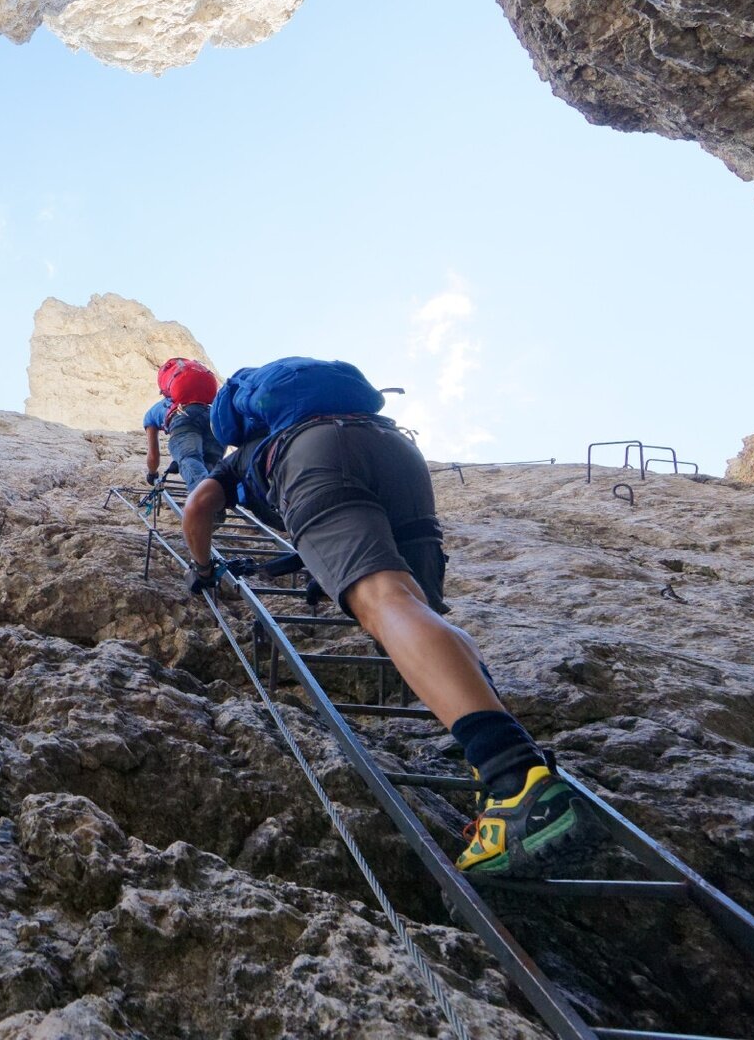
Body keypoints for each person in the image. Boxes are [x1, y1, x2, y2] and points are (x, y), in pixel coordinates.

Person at [179, 356, 601, 876]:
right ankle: (509, 757)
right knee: (415, 608)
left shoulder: (249, 452)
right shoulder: (346, 413)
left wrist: (202, 568)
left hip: (316, 458)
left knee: (385, 600)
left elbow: (198, 506)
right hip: (400, 453)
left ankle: (513, 781)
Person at [144, 358, 226, 493]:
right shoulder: (206, 401)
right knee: (211, 464)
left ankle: (206, 496)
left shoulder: (155, 411)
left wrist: (152, 474)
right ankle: (215, 506)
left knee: (189, 458)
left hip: (184, 418)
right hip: (213, 418)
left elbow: (153, 455)